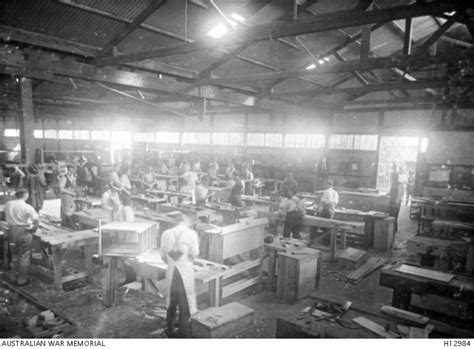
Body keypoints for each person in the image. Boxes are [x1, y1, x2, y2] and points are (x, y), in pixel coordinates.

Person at [160, 214, 199, 338]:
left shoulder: (166, 234)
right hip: (185, 276)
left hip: (172, 273)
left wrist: (173, 262)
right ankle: (184, 334)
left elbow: (163, 257)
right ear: (187, 222)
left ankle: (170, 330)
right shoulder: (191, 234)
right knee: (185, 305)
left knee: (171, 303)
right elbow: (194, 254)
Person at [4, 188, 40, 286]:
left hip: (12, 231)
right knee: (24, 255)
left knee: (15, 255)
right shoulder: (27, 206)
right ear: (25, 195)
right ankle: (22, 280)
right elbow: (36, 220)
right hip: (23, 232)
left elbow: (5, 214)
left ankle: (13, 277)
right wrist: (33, 228)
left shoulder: (9, 204)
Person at [387, 163, 401, 234]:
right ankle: (392, 228)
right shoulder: (393, 184)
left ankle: (394, 229)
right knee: (391, 215)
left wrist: (396, 202)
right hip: (392, 201)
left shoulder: (399, 184)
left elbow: (400, 194)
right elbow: (390, 191)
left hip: (396, 202)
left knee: (394, 216)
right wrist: (386, 195)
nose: (392, 178)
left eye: (392, 177)